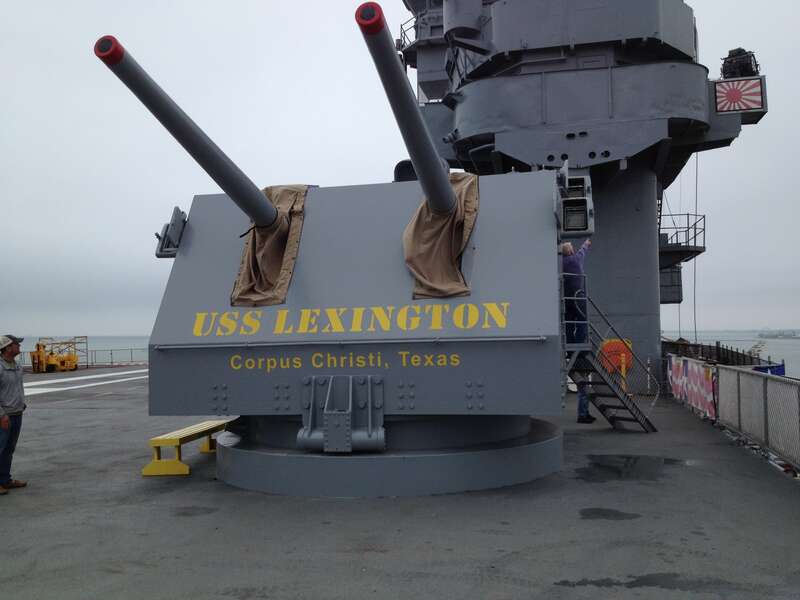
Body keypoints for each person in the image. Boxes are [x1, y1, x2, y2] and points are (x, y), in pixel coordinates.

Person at [561, 239, 595, 423]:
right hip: (578, 297)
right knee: (582, 320)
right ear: (570, 251)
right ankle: (579, 345)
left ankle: (570, 345)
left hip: (566, 300)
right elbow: (582, 252)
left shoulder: (560, 263)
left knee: (569, 323)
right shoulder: (575, 260)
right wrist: (587, 243)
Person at [0, 335, 28, 495]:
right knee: (0, 449)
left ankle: (5, 480)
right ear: (8, 347)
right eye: (16, 344)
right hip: (4, 416)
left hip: (16, 413)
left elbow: (17, 387)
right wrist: (1, 415)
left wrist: (21, 402)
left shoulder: (17, 366)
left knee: (9, 449)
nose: (19, 347)